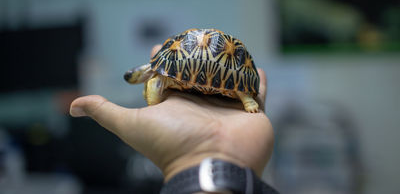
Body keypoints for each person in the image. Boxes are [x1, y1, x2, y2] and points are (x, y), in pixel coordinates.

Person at [70, 45, 278, 194]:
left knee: (237, 89)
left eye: (132, 76)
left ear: (141, 73)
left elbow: (153, 87)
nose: (133, 78)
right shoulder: (162, 70)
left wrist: (155, 105)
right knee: (233, 87)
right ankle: (244, 96)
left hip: (226, 63)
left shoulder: (158, 75)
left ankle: (245, 97)